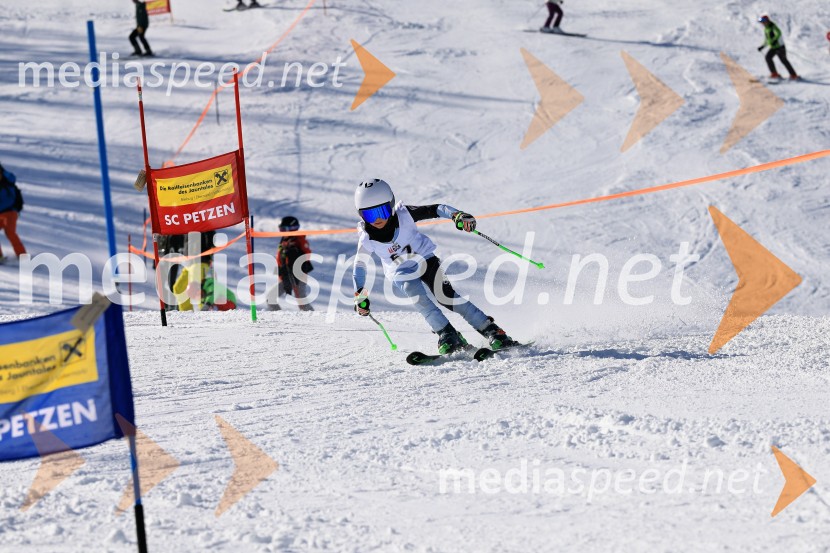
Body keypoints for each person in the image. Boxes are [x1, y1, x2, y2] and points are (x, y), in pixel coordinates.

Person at [351, 179, 516, 354]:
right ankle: (448, 334)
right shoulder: (366, 238)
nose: (377, 219)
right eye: (370, 215)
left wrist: (457, 215)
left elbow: (435, 209)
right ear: (361, 215)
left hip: (425, 259)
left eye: (382, 211)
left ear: (390, 206)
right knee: (418, 298)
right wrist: (360, 296)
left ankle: (492, 331)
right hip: (400, 271)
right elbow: (360, 265)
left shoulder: (404, 214)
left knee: (447, 297)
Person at [266, 216, 315, 311]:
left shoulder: (299, 239)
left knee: (301, 300)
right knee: (271, 298)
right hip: (285, 275)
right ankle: (279, 318)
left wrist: (294, 251)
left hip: (298, 275)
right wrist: (281, 274)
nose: (283, 232)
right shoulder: (284, 241)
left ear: (293, 229)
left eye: (285, 229)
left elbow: (307, 254)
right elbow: (280, 259)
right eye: (281, 229)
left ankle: (314, 318)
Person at [757, 14, 798, 80]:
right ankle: (774, 73)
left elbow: (778, 33)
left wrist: (775, 40)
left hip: (780, 47)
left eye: (763, 21)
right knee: (768, 58)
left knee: (783, 60)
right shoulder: (766, 29)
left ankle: (794, 75)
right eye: (762, 22)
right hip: (773, 47)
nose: (762, 23)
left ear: (767, 21)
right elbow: (767, 39)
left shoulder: (773, 26)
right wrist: (762, 46)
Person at [0, 163, 27, 264]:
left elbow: (8, 201)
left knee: (10, 232)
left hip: (10, 211)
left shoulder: (7, 183)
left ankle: (23, 256)